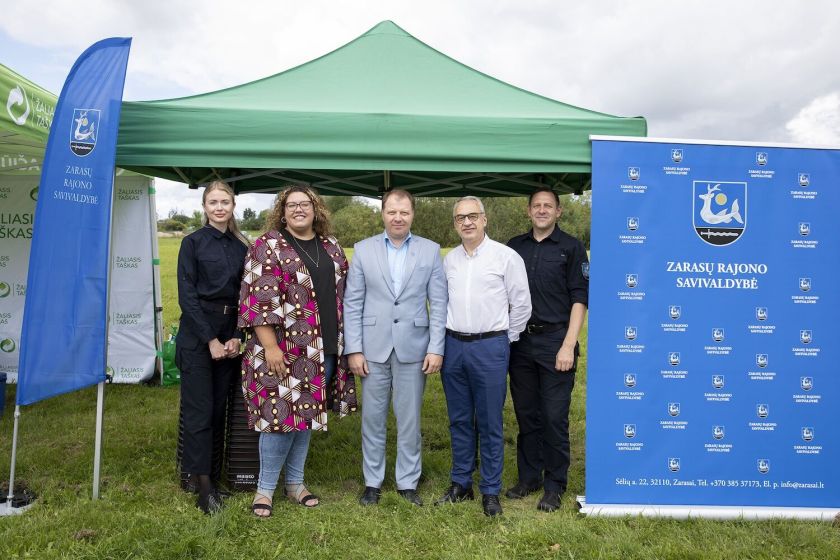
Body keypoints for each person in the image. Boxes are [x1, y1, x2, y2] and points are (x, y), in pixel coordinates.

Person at [237, 185, 357, 518]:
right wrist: (271, 346)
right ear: (282, 211)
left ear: (317, 209)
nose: (299, 209)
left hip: (325, 350)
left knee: (307, 416)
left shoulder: (331, 247)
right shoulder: (268, 246)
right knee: (279, 420)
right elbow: (259, 300)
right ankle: (264, 490)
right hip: (285, 351)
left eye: (305, 204)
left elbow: (346, 293)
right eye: (292, 205)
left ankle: (295, 484)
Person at [343, 189, 447, 507]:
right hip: (372, 349)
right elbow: (353, 303)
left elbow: (439, 303)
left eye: (403, 212)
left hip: (414, 348)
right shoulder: (363, 250)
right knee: (373, 419)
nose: (397, 217)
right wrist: (354, 349)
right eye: (391, 211)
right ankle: (372, 482)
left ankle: (407, 482)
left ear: (412, 214)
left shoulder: (430, 251)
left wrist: (436, 347)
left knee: (410, 419)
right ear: (383, 213)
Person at [435, 196, 531, 517]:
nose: (467, 222)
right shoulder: (449, 260)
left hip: (490, 346)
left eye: (473, 216)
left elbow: (521, 305)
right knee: (460, 419)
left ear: (485, 219)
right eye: (460, 218)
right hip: (454, 346)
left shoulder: (506, 257)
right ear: (455, 224)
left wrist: (504, 339)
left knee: (490, 421)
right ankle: (461, 483)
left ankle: (490, 490)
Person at [506, 187, 589, 512]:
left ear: (558, 212)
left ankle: (554, 484)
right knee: (527, 415)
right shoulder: (515, 247)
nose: (542, 210)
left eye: (548, 206)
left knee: (554, 417)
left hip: (557, 342)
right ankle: (529, 477)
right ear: (528, 211)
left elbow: (580, 298)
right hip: (520, 343)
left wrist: (569, 345)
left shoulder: (572, 247)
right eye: (536, 205)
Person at [176, 180, 249, 514]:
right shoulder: (192, 244)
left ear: (233, 206)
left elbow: (245, 296)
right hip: (198, 336)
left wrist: (236, 335)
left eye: (225, 202)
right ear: (204, 207)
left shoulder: (241, 246)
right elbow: (187, 296)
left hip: (229, 334)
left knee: (219, 411)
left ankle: (215, 478)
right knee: (199, 411)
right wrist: (211, 340)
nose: (219, 207)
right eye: (213, 202)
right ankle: (202, 486)